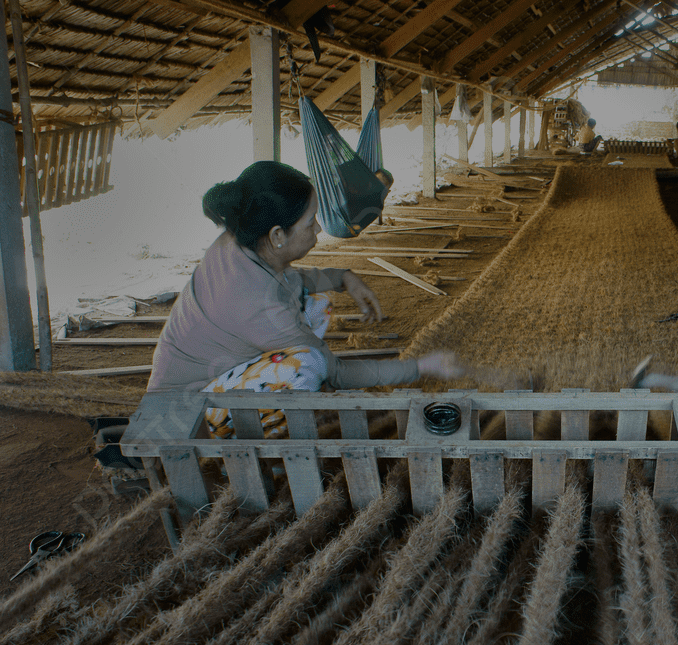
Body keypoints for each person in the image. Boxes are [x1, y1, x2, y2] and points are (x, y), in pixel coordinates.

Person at [148, 161, 462, 438]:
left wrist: (343, 278)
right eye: (310, 222)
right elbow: (336, 372)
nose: (319, 228)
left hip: (199, 381)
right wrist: (419, 367)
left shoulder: (238, 241)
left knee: (316, 301)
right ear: (277, 236)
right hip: (187, 417)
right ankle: (252, 447)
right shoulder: (260, 305)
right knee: (306, 365)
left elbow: (289, 281)